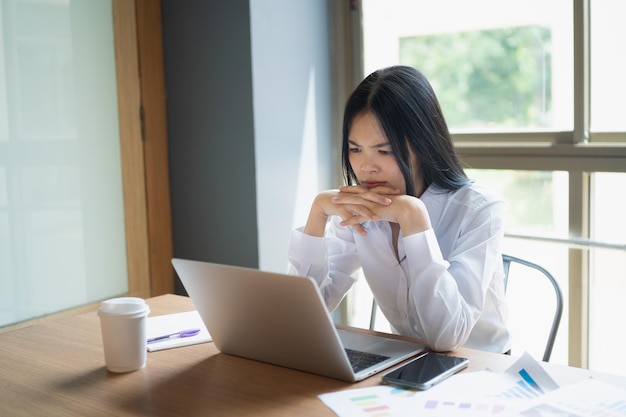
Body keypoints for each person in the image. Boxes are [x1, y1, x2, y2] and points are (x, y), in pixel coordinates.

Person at [288, 65, 511, 354]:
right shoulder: (362, 209)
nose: (367, 167)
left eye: (385, 151)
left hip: (481, 367)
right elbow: (303, 315)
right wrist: (317, 215)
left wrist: (413, 218)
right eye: (355, 149)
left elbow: (446, 338)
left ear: (423, 144)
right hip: (408, 363)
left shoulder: (480, 210)